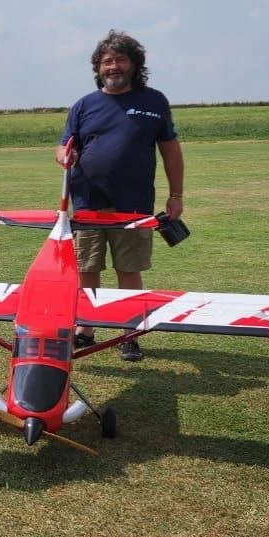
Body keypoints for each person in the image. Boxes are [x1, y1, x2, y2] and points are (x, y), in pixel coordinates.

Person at [56, 30, 185, 362]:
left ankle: (129, 333)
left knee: (129, 270)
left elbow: (170, 149)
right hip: (86, 203)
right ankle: (85, 329)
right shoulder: (84, 105)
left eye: (120, 59)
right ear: (98, 68)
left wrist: (176, 195)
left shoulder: (154, 101)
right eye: (106, 61)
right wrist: (62, 155)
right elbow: (65, 144)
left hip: (134, 205)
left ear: (134, 64)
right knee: (87, 268)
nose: (113, 66)